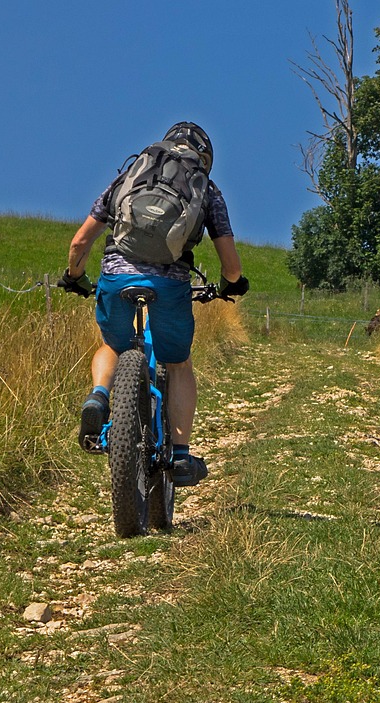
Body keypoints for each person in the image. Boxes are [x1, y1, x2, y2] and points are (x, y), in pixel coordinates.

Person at [59, 121, 248, 487]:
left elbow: (80, 242)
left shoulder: (132, 174)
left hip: (116, 276)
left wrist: (74, 276)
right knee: (177, 363)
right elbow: (231, 265)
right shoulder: (206, 188)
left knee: (113, 345)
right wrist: (232, 285)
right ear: (205, 157)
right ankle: (179, 454)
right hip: (170, 283)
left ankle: (99, 396)